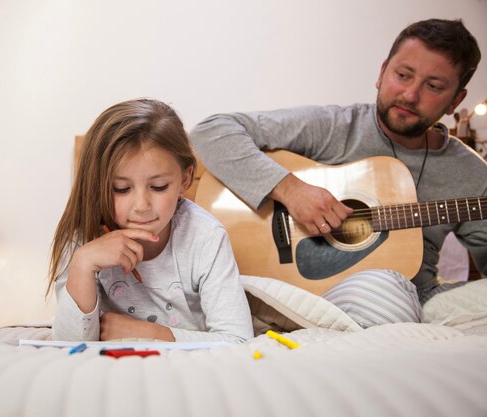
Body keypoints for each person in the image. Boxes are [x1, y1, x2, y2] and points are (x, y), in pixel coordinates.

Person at [190, 18, 486, 327]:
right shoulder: (334, 127)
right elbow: (212, 131)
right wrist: (291, 190)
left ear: (455, 100)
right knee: (381, 288)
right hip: (323, 294)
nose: (411, 95)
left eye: (434, 86)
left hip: (421, 297)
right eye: (403, 75)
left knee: (395, 293)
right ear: (382, 72)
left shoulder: (472, 174)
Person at [48, 98, 253, 342]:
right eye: (121, 188)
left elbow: (238, 340)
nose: (142, 206)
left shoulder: (205, 236)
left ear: (185, 179)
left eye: (158, 186)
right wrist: (82, 263)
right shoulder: (81, 240)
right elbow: (67, 346)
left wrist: (147, 333)